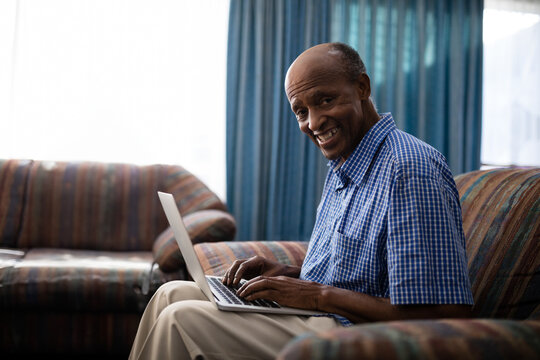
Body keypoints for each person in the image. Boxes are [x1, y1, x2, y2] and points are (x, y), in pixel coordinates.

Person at [129, 42, 474, 360]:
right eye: (300, 110)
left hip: (357, 337)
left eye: (325, 101)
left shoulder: (408, 170)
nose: (314, 122)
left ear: (363, 88)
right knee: (170, 294)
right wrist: (289, 275)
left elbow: (442, 313)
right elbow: (358, 277)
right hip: (322, 316)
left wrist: (313, 295)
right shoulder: (344, 164)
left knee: (180, 320)